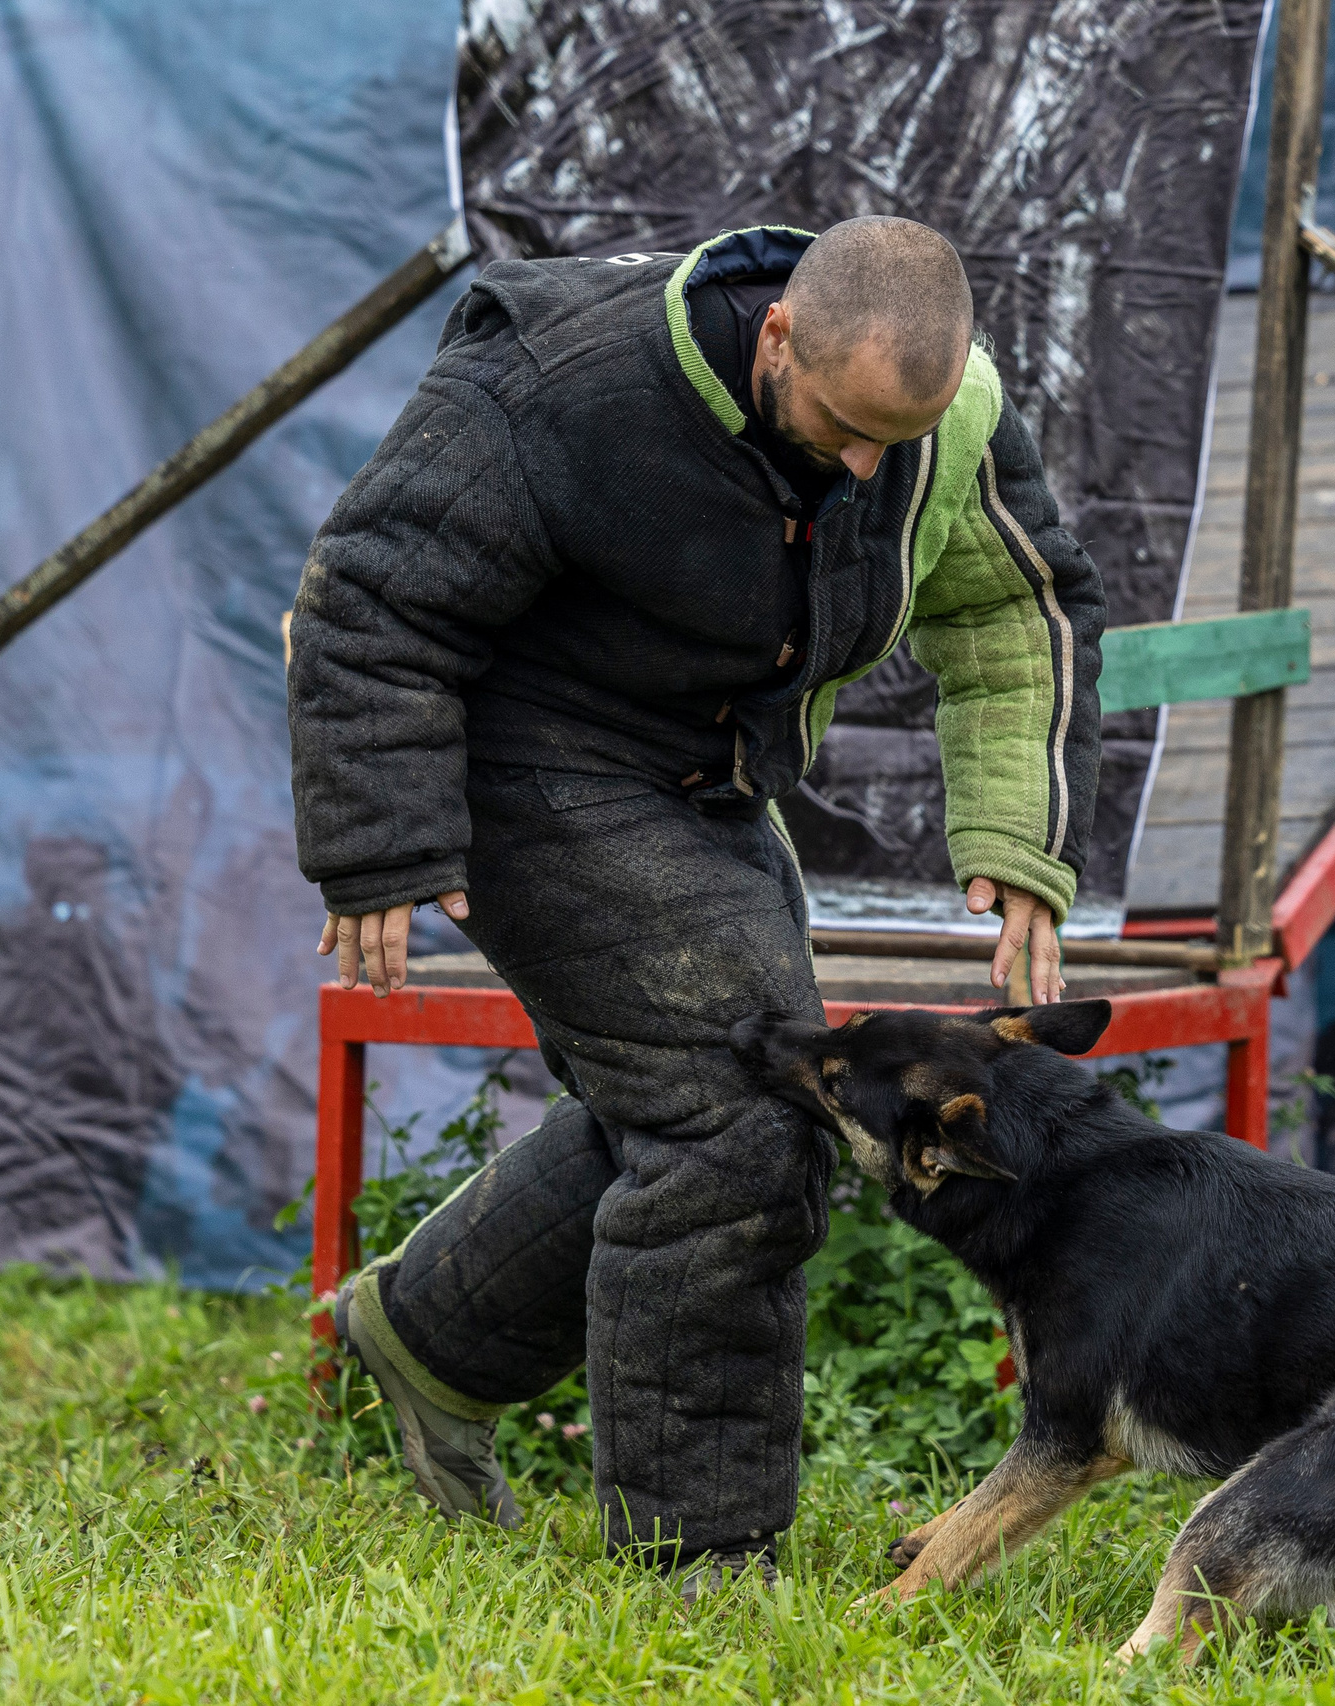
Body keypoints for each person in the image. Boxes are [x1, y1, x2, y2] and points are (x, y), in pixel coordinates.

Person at [284, 215, 1105, 1594]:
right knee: (746, 1122)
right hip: (529, 756)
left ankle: (433, 1337)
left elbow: (1018, 611)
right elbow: (372, 598)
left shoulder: (942, 416)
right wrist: (376, 841)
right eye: (843, 428)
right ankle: (698, 1551)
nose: (863, 467)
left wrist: (1022, 837)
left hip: (711, 772)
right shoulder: (562, 382)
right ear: (778, 331)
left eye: (887, 447)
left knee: (703, 1092)